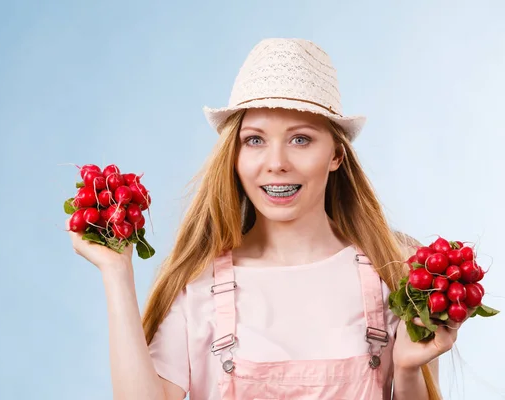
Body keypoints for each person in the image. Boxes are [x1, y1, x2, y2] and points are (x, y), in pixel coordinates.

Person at [68, 38, 462, 399]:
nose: (276, 164)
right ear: (235, 157)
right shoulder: (198, 285)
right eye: (254, 140)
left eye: (301, 139)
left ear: (336, 156)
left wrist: (410, 370)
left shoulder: (392, 273)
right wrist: (116, 273)